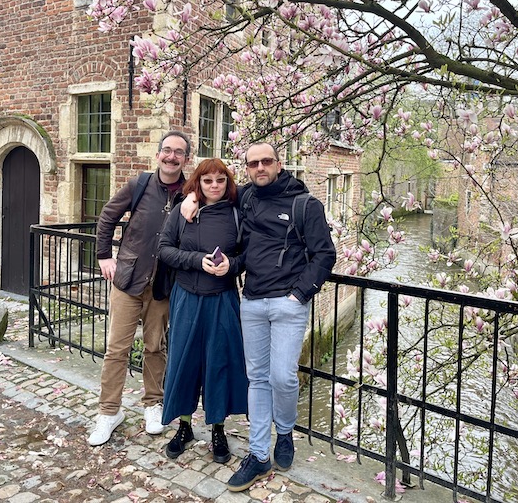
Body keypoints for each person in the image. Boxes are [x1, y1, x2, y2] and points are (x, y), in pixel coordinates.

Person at [181, 142, 336, 491]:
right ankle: (258, 454)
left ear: (279, 164)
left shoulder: (305, 204)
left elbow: (325, 254)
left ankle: (285, 432)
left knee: (283, 377)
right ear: (247, 168)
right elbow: (213, 193)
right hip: (251, 301)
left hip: (287, 303)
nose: (260, 167)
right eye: (253, 163)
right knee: (258, 380)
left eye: (266, 161)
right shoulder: (247, 197)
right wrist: (190, 197)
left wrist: (299, 295)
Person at [88, 130, 191, 446]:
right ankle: (109, 412)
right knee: (116, 349)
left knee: (155, 348)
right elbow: (108, 216)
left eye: (178, 152)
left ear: (186, 159)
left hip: (163, 286)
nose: (171, 156)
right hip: (128, 280)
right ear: (158, 154)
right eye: (167, 150)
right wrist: (104, 255)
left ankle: (152, 404)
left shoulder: (190, 193)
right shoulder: (140, 185)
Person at [157, 158, 248, 464]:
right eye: (207, 181)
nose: (214, 186)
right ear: (198, 183)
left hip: (222, 300)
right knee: (184, 362)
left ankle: (218, 429)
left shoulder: (236, 213)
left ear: (228, 182)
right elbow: (165, 249)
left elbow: (246, 255)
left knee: (218, 363)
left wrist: (231, 265)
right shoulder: (183, 211)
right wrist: (197, 261)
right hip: (186, 297)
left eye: (220, 180)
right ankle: (184, 426)